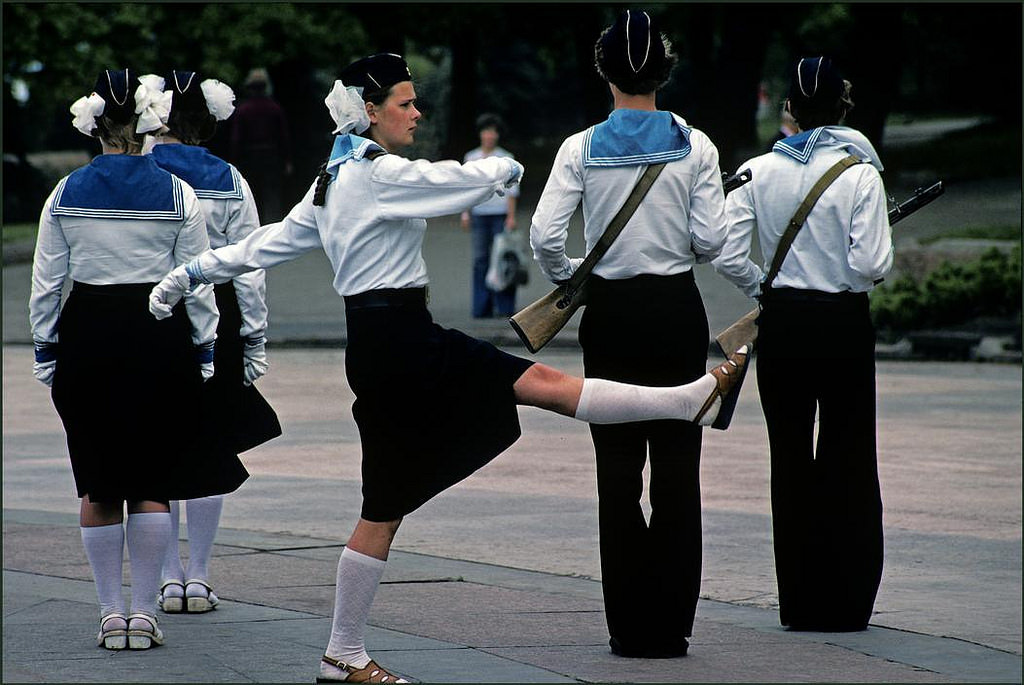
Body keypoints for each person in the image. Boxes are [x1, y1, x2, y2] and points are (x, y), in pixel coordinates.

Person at [148, 53, 749, 683]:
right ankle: (684, 401)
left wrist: (190, 273)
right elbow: (453, 183)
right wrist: (502, 167)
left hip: (388, 345)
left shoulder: (336, 176)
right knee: (429, 469)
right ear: (370, 113)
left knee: (401, 492)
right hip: (404, 345)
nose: (417, 112)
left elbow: (269, 243)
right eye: (405, 103)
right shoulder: (377, 175)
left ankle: (341, 652)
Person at [529, 9, 737, 659]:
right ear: (665, 70)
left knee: (617, 474)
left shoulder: (580, 147)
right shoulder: (696, 145)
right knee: (679, 469)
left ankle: (627, 625)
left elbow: (543, 237)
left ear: (604, 70)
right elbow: (711, 239)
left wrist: (575, 277)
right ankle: (670, 625)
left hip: (611, 315)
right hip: (676, 310)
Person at [29, 69, 249, 650]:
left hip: (88, 334)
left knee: (99, 483)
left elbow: (47, 284)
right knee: (153, 477)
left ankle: (110, 613)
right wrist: (204, 348)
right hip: (159, 331)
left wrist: (46, 350)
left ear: (95, 126)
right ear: (147, 121)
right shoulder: (180, 194)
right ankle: (147, 613)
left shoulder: (64, 193)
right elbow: (197, 282)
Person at [712, 56, 893, 631]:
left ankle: (800, 600)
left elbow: (727, 251)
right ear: (842, 106)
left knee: (789, 459)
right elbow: (870, 265)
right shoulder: (860, 172)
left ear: (788, 107)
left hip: (783, 323)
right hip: (842, 323)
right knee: (849, 455)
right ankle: (847, 602)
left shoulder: (757, 170)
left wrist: (763, 286)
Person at [147, 70, 282, 615]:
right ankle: (198, 576)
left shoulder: (139, 172)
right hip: (218, 313)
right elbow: (250, 266)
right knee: (209, 442)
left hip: (153, 314)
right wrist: (254, 335)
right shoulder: (229, 177)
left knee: (156, 443)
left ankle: (166, 576)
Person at [460, 113, 521, 318]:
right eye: (486, 131)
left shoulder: (507, 158)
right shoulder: (471, 157)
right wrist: (465, 214)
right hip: (479, 214)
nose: (489, 135)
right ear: (480, 134)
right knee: (480, 260)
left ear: (497, 135)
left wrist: (511, 216)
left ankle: (505, 307)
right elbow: (466, 188)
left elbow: (512, 191)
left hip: (500, 214)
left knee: (502, 258)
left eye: (493, 131)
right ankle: (481, 307)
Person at [230, 68, 292, 222]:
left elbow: (236, 139)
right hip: (271, 156)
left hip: (249, 157)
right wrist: (287, 160)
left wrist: (234, 161)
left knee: (253, 196)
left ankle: (254, 230)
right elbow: (283, 137)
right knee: (272, 198)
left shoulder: (243, 109)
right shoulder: (274, 108)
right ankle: (273, 230)